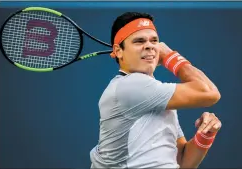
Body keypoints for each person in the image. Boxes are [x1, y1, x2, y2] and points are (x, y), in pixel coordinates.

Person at [90, 12, 222, 168]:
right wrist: (170, 56)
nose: (149, 46)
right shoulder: (130, 86)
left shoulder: (155, 94)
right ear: (118, 51)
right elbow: (209, 93)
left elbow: (182, 162)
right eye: (139, 41)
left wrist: (205, 135)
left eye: (154, 41)